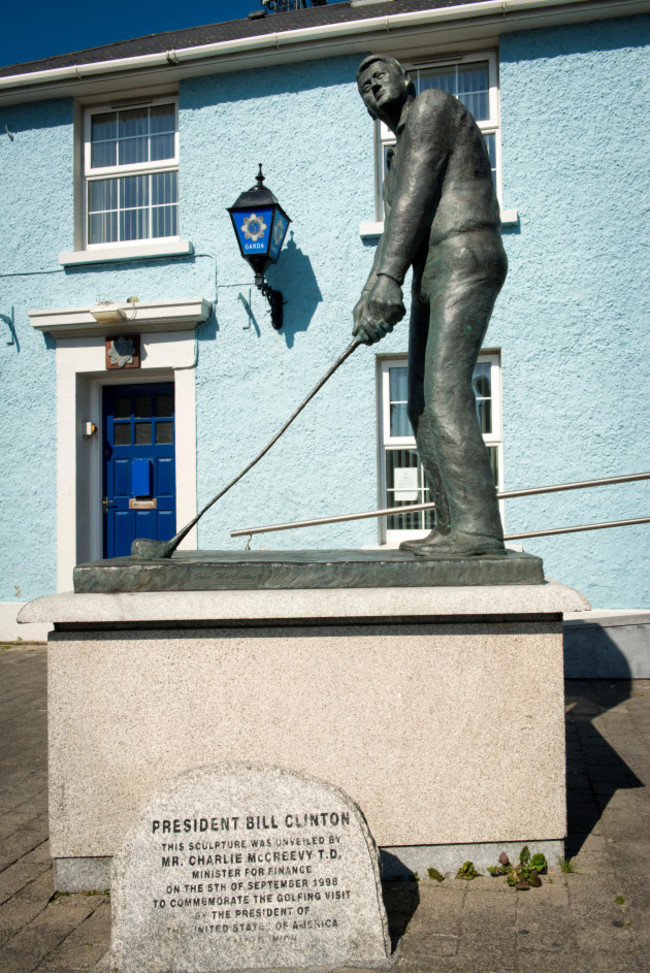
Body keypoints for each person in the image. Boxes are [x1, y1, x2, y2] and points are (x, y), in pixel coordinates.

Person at [354, 54, 508, 557]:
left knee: (444, 388)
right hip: (432, 269)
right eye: (364, 85)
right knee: (420, 401)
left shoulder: (432, 108)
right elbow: (403, 221)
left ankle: (479, 530)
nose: (373, 84)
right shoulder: (394, 163)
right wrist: (372, 296)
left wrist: (387, 280)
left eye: (380, 75)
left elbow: (417, 198)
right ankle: (451, 522)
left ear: (406, 79)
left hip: (465, 254)